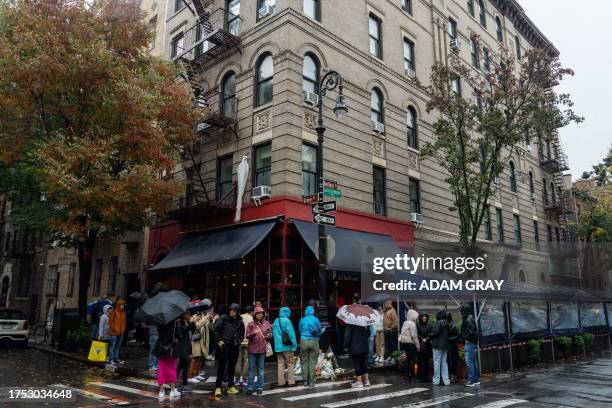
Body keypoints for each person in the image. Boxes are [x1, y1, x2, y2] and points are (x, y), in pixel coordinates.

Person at [213, 303, 244, 398]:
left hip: (234, 347)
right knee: (221, 367)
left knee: (232, 368)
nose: (232, 311)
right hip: (224, 347)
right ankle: (218, 387)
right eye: (231, 310)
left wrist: (238, 341)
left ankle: (231, 386)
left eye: (234, 310)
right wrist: (219, 340)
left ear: (237, 312)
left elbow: (242, 333)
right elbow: (215, 330)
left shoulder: (240, 321)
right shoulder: (223, 318)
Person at [245, 306, 272, 395]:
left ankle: (259, 386)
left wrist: (269, 336)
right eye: (258, 314)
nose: (260, 315)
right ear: (255, 314)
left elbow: (270, 334)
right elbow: (247, 336)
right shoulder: (251, 324)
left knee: (261, 369)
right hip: (252, 350)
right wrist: (254, 332)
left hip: (262, 349)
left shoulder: (266, 323)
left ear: (263, 314)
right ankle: (250, 387)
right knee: (251, 369)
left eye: (261, 313)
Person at [155, 320, 181, 401]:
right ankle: (172, 391)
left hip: (160, 347)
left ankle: (161, 391)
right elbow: (179, 334)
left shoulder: (159, 322)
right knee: (172, 368)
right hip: (171, 348)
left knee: (161, 369)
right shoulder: (174, 322)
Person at [272, 306, 297, 387]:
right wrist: (294, 345)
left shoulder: (276, 320)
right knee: (290, 363)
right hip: (287, 346)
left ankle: (281, 382)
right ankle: (291, 381)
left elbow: (274, 334)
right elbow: (291, 334)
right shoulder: (287, 321)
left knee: (280, 364)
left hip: (278, 346)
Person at [299, 305, 322, 387]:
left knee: (304, 360)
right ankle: (311, 381)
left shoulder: (302, 319)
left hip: (304, 341)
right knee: (312, 361)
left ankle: (305, 381)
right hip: (314, 341)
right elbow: (319, 329)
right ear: (313, 312)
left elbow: (300, 330)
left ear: (306, 311)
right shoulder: (316, 320)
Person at [344, 323, 371, 388]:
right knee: (364, 363)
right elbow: (369, 333)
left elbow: (347, 337)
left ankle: (359, 382)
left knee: (357, 364)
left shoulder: (350, 325)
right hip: (364, 346)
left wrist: (345, 346)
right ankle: (367, 381)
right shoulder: (365, 323)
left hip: (355, 347)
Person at [460, 303, 480, 387]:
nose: (460, 312)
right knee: (473, 361)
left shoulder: (467, 319)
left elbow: (470, 332)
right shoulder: (469, 318)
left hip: (469, 342)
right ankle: (475, 379)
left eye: (461, 311)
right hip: (472, 342)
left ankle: (471, 380)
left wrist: (465, 338)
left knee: (469, 362)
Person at [189, 311, 212, 382]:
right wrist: (204, 318)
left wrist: (210, 320)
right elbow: (197, 326)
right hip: (197, 340)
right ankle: (191, 376)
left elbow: (211, 327)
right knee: (195, 357)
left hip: (204, 341)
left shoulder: (204, 317)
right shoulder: (193, 316)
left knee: (200, 358)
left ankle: (196, 374)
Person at [429, 309, 450, 386]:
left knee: (437, 362)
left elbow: (435, 332)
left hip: (437, 345)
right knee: (444, 363)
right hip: (445, 345)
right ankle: (446, 380)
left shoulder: (439, 322)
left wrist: (428, 337)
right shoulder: (447, 323)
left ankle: (436, 380)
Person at [399, 309, 420, 382]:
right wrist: (418, 346)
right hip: (411, 345)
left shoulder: (405, 323)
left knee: (407, 360)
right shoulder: (412, 324)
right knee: (413, 360)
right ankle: (413, 376)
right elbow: (414, 336)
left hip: (405, 344)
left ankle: (406, 375)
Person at [175, 311, 193, 392]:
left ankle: (173, 380)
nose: (189, 315)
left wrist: (193, 325)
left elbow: (191, 333)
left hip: (188, 347)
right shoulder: (178, 322)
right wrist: (189, 326)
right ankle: (185, 385)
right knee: (185, 366)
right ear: (183, 315)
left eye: (189, 314)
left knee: (181, 366)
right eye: (187, 314)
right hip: (182, 347)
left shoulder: (188, 322)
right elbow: (179, 334)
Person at [236, 305, 253, 386]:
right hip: (248, 342)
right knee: (246, 360)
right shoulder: (252, 319)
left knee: (238, 360)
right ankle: (245, 378)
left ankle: (238, 378)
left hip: (239, 342)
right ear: (251, 312)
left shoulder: (239, 317)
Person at [108, 296, 127, 365]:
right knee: (113, 346)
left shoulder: (123, 313)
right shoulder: (113, 312)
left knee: (117, 346)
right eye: (121, 305)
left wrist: (123, 329)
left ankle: (116, 358)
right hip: (114, 333)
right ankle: (111, 359)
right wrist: (114, 330)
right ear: (118, 305)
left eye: (123, 305)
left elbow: (124, 322)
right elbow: (110, 322)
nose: (123, 306)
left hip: (120, 332)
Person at [416, 313, 431, 382]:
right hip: (420, 346)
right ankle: (420, 377)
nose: (424, 318)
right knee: (420, 362)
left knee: (426, 362)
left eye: (425, 316)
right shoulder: (418, 325)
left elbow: (431, 334)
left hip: (427, 346)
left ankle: (426, 377)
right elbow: (417, 334)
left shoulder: (429, 325)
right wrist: (422, 339)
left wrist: (427, 339)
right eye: (423, 316)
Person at [447, 312, 459, 381]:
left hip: (453, 346)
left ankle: (453, 374)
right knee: (448, 360)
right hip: (448, 346)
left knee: (453, 361)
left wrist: (449, 339)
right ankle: (450, 374)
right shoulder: (446, 324)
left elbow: (457, 335)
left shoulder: (453, 325)